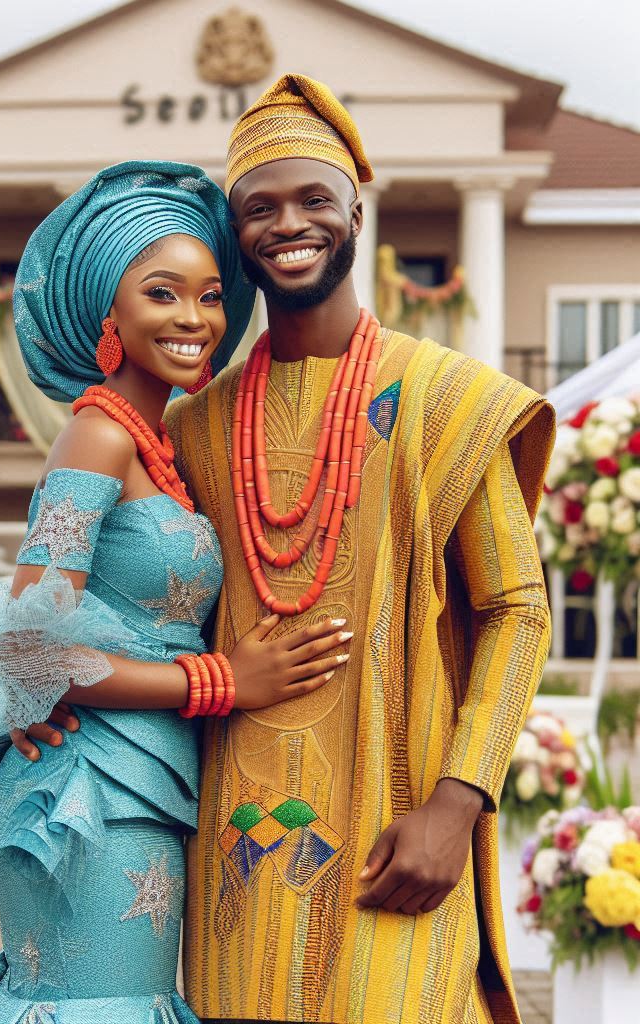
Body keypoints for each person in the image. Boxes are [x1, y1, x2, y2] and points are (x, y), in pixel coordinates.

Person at [0, 161, 353, 1024]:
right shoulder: (97, 437)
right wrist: (222, 681)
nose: (195, 319)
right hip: (83, 795)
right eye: (162, 294)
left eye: (212, 295)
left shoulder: (155, 442)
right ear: (108, 316)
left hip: (131, 780)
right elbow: (29, 648)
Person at [165, 76, 555, 1024]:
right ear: (236, 232)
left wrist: (459, 802)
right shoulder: (198, 427)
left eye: (312, 200)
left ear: (356, 212)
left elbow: (518, 608)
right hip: (237, 862)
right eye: (260, 207)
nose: (288, 223)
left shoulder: (446, 399)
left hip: (402, 829)